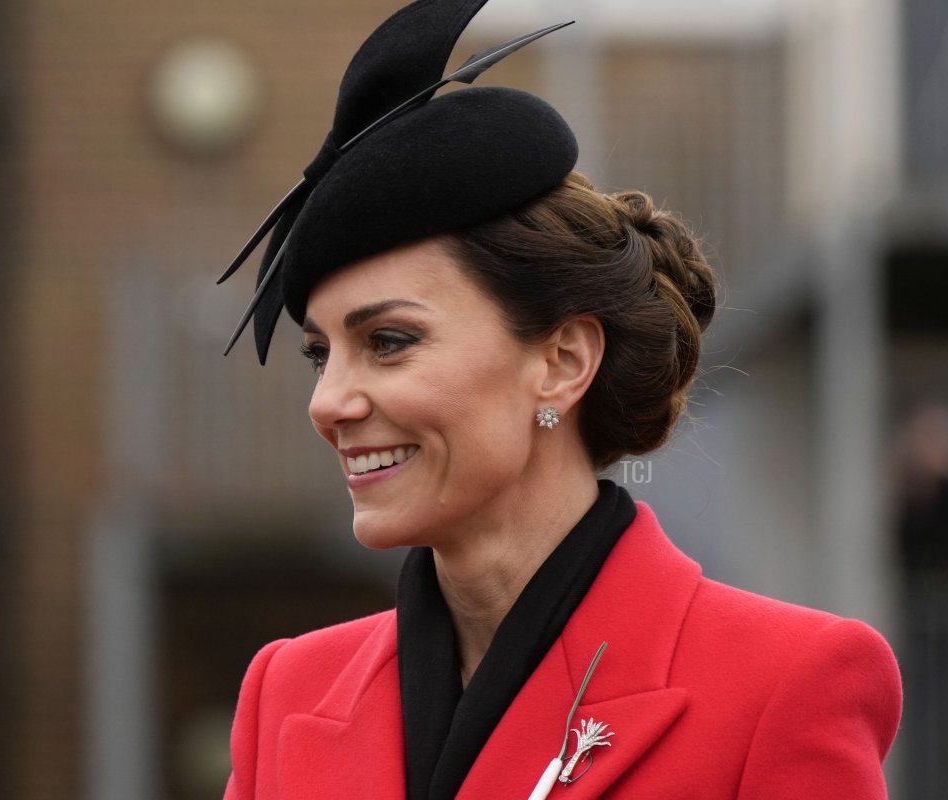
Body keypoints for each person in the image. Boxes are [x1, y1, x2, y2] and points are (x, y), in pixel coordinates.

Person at [217, 1, 902, 797]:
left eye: (389, 342)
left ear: (562, 361)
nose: (329, 402)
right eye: (318, 356)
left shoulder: (784, 684)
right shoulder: (288, 689)